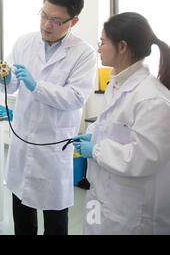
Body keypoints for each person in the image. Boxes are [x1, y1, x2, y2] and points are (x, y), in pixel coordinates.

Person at [0, 0, 97, 235]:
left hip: (53, 146)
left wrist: (36, 85)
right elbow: (10, 83)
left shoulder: (84, 54)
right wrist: (4, 77)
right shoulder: (24, 42)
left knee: (55, 219)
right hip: (23, 141)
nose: (46, 25)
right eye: (43, 15)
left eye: (55, 20)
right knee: (21, 213)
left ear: (73, 21)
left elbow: (75, 98)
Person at [72, 12, 170, 234]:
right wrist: (92, 134)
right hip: (101, 194)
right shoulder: (116, 83)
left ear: (122, 47)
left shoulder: (152, 99)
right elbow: (108, 122)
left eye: (103, 42)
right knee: (93, 226)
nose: (98, 49)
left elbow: (145, 157)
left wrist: (95, 149)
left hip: (130, 210)